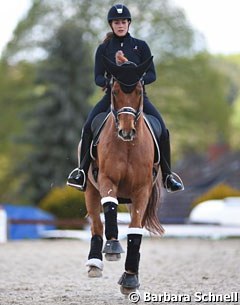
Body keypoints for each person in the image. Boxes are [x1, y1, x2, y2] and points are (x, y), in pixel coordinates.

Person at [67, 4, 184, 193]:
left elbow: (152, 74)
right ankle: (81, 172)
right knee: (88, 126)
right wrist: (110, 82)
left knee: (163, 129)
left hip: (138, 98)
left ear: (129, 23)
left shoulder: (141, 46)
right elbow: (97, 77)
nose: (120, 25)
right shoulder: (104, 48)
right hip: (113, 97)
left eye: (123, 22)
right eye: (116, 22)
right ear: (111, 25)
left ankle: (168, 175)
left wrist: (138, 81)